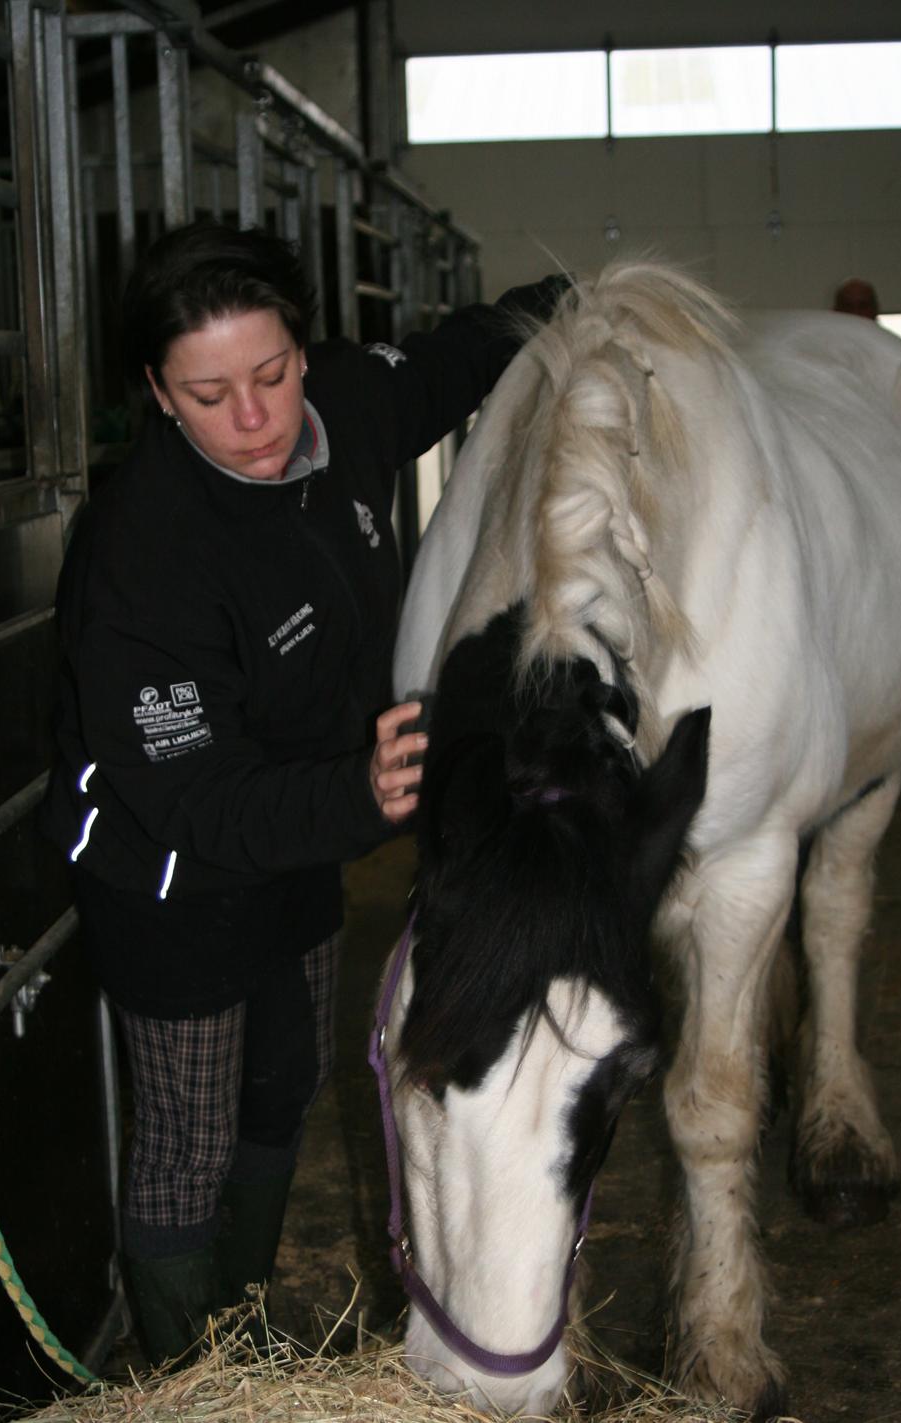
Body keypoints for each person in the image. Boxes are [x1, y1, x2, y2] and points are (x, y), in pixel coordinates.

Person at [43, 219, 566, 1365]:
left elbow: (451, 357)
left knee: (282, 1086)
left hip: (302, 842)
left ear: (302, 350)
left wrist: (573, 296)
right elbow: (189, 799)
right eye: (209, 391)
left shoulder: (344, 407)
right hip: (166, 876)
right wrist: (361, 793)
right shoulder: (143, 549)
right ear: (157, 394)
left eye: (272, 373)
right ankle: (187, 1379)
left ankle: (239, 1322)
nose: (254, 418)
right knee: (189, 1130)